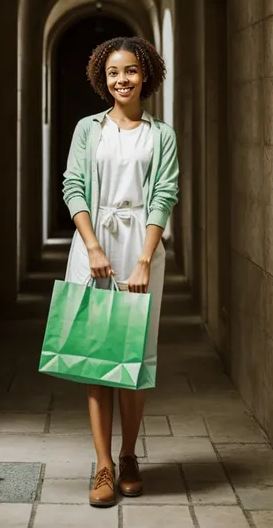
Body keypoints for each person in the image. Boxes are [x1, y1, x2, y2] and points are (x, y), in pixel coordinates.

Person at [62, 36, 179, 507]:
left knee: (133, 360)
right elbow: (73, 187)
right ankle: (103, 465)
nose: (121, 80)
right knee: (95, 359)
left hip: (141, 246)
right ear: (102, 79)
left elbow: (164, 195)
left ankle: (130, 456)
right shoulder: (88, 129)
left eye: (130, 71)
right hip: (93, 244)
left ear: (145, 75)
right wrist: (92, 247)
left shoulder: (161, 135)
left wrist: (144, 259)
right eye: (113, 73)